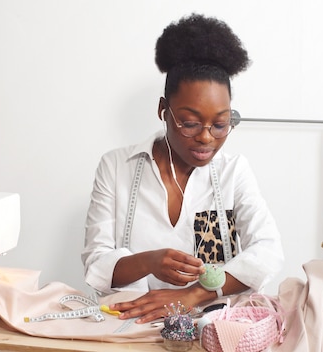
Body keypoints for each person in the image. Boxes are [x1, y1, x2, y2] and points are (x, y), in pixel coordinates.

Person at [81, 13, 284, 324]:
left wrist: (193, 295)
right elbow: (96, 265)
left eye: (220, 124)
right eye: (189, 123)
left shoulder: (234, 172)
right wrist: (149, 261)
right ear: (164, 110)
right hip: (131, 327)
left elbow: (268, 252)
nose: (206, 137)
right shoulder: (116, 167)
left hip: (211, 330)